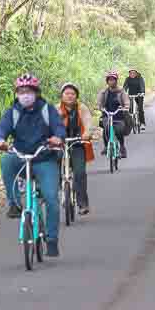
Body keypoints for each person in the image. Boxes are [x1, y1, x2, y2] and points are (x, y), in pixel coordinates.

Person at [0, 73, 66, 257]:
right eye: (21, 91)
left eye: (28, 91)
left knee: (51, 199)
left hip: (44, 158)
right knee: (6, 161)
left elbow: (58, 127)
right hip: (20, 155)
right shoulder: (14, 112)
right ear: (17, 94)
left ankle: (51, 239)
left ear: (36, 93)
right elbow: (3, 127)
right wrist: (0, 140)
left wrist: (58, 138)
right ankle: (14, 203)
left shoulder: (47, 110)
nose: (25, 95)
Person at [57, 83, 93, 215]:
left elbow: (88, 121)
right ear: (62, 96)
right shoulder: (56, 109)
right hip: (60, 145)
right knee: (53, 169)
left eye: (72, 94)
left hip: (77, 143)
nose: (70, 96)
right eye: (67, 93)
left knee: (80, 173)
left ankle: (82, 204)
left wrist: (87, 133)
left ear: (76, 96)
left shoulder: (81, 108)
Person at [97, 71, 132, 158]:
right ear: (107, 81)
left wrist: (126, 107)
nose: (111, 82)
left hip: (119, 116)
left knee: (119, 131)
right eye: (109, 80)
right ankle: (106, 146)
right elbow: (99, 102)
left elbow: (126, 101)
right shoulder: (104, 92)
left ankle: (122, 148)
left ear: (116, 81)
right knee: (106, 129)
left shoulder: (121, 91)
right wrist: (100, 107)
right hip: (107, 115)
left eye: (113, 80)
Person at [123, 68, 147, 132]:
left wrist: (142, 92)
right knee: (130, 110)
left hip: (139, 95)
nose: (132, 74)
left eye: (133, 73)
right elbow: (125, 87)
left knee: (140, 109)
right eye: (130, 73)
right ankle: (130, 124)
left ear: (136, 73)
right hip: (131, 95)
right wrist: (124, 93)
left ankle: (142, 123)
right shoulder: (127, 79)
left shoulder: (140, 78)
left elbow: (142, 86)